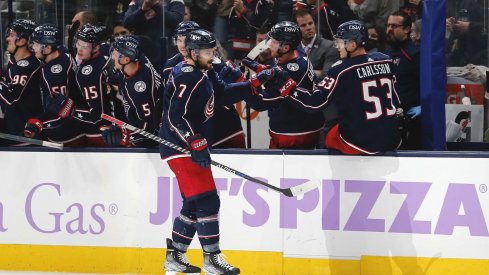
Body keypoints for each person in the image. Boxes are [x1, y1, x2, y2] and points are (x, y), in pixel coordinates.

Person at [159, 29, 244, 274]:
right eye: (207, 53)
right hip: (180, 147)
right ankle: (211, 258)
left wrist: (253, 85)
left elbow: (224, 92)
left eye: (213, 51)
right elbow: (175, 117)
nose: (212, 56)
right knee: (208, 200)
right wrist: (194, 140)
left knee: (194, 203)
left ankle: (175, 256)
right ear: (194, 53)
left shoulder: (203, 71)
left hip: (190, 147)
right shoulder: (187, 75)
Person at [267, 20, 401, 154]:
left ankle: (337, 173)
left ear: (352, 44)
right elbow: (396, 98)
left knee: (331, 136)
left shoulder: (341, 70)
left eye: (340, 42)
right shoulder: (385, 59)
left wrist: (288, 86)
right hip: (392, 137)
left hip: (362, 143)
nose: (337, 46)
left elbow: (314, 103)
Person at [163, 21, 247, 148]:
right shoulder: (170, 66)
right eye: (179, 40)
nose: (182, 44)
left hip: (226, 129)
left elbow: (228, 91)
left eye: (186, 39)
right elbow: (169, 103)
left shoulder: (213, 62)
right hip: (197, 135)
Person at [242, 21, 324, 149]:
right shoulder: (294, 52)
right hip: (301, 124)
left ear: (285, 47)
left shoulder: (293, 70)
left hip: (294, 134)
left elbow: (261, 103)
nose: (269, 45)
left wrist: (242, 83)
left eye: (274, 42)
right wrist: (263, 69)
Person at [46, 24, 112, 147]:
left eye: (85, 47)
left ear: (96, 48)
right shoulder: (106, 49)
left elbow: (96, 116)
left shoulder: (87, 74)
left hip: (100, 133)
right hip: (114, 125)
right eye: (79, 44)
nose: (80, 49)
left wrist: (71, 110)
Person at [25, 23, 86, 146]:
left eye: (37, 44)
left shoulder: (54, 73)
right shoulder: (62, 53)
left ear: (47, 48)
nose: (33, 48)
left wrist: (37, 122)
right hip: (76, 127)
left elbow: (59, 110)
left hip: (66, 136)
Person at [103, 35, 162, 147]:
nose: (112, 57)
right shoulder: (137, 60)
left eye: (115, 54)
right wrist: (107, 79)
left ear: (126, 59)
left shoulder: (139, 90)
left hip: (152, 140)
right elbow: (122, 77)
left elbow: (149, 128)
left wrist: (126, 136)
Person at [0, 19, 42, 144]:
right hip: (12, 128)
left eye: (12, 35)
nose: (7, 38)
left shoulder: (27, 66)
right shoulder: (15, 61)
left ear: (23, 41)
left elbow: (11, 96)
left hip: (24, 135)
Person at [385, 11, 421, 149]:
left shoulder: (415, 54)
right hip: (390, 119)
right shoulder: (386, 54)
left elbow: (428, 84)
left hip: (411, 120)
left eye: (394, 26)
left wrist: (424, 106)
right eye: (388, 25)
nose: (389, 29)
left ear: (406, 29)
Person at [123, 0, 185, 68]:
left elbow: (177, 20)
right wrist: (142, 10)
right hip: (143, 56)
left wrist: (155, 6)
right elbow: (126, 22)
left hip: (167, 55)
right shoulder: (137, 1)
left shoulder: (174, 1)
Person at [294, 9, 339, 78]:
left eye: (310, 23)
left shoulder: (330, 46)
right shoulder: (293, 46)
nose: (308, 28)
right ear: (296, 29)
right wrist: (317, 72)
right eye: (303, 25)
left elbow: (327, 76)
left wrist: (299, 72)